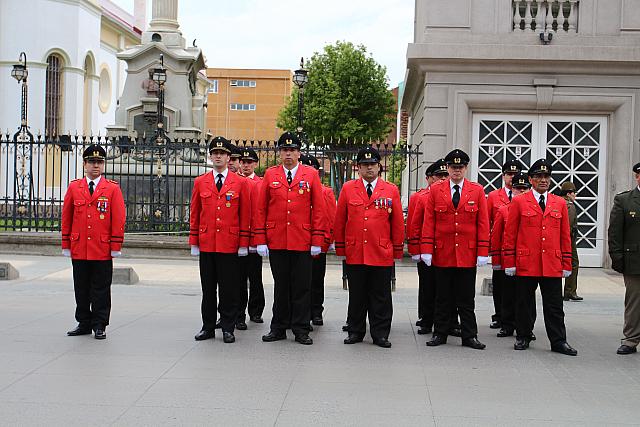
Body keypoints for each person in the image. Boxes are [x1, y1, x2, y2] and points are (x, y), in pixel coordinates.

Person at [254, 131, 326, 345]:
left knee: (302, 286)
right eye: (285, 150)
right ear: (279, 153)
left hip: (302, 239)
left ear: (299, 153)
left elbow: (319, 210)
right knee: (281, 285)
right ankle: (278, 327)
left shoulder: (310, 174)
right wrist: (260, 238)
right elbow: (260, 208)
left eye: (292, 150)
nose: (288, 154)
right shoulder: (271, 174)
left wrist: (316, 241)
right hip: (277, 238)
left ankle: (301, 328)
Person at [503, 159, 578, 356]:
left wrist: (566, 262)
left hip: (551, 263)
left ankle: (558, 341)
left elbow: (565, 236)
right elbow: (510, 234)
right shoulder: (519, 201)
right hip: (527, 261)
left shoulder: (559, 203)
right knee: (524, 303)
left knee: (554, 305)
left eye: (546, 176)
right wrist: (509, 261)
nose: (543, 180)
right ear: (531, 179)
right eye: (538, 177)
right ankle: (523, 336)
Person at [334, 146, 404, 348]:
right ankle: (356, 331)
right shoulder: (348, 188)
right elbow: (340, 220)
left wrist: (397, 249)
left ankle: (380, 333)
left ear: (379, 166)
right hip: (356, 250)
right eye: (365, 165)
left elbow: (397, 222)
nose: (369, 168)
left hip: (381, 251)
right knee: (357, 295)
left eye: (372, 164)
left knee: (380, 295)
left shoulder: (390, 189)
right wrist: (340, 248)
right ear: (358, 168)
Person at [420, 149, 489, 350]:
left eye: (460, 167)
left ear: (466, 168)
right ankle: (440, 333)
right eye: (453, 167)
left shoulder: (476, 191)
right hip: (443, 252)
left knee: (466, 298)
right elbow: (429, 221)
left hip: (467, 253)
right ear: (448, 168)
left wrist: (483, 251)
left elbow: (483, 223)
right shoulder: (436, 190)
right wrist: (426, 249)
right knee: (442, 296)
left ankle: (469, 336)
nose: (456, 171)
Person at [189, 136, 251, 343]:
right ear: (210, 156)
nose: (218, 156)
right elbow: (195, 213)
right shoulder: (201, 181)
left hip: (229, 244)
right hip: (207, 242)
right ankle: (207, 326)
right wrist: (194, 241)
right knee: (208, 289)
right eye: (215, 153)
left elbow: (245, 215)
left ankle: (227, 327)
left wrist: (243, 243)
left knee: (229, 289)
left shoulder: (240, 183)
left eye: (222, 154)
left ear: (228, 157)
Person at [62, 144, 126, 340]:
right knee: (81, 286)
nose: (95, 166)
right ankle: (83, 321)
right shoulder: (75, 187)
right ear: (84, 164)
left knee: (100, 288)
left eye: (99, 162)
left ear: (103, 165)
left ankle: (99, 324)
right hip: (80, 246)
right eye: (91, 162)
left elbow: (118, 218)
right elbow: (67, 217)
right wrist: (66, 244)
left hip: (102, 247)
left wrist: (116, 245)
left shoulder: (112, 189)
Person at [407, 159, 460, 336]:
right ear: (429, 178)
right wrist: (416, 249)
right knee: (428, 287)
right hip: (426, 250)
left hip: (446, 250)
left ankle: (450, 321)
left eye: (445, 175)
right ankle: (427, 319)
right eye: (439, 175)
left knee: (450, 289)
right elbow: (414, 225)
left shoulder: (450, 194)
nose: (442, 179)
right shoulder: (419, 197)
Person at [490, 171, 536, 339]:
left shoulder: (535, 209)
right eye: (518, 188)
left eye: (525, 188)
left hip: (527, 259)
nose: (521, 191)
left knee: (526, 296)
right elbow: (496, 237)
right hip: (508, 259)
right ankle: (507, 324)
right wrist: (496, 260)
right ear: (512, 190)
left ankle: (527, 327)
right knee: (507, 294)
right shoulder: (504, 210)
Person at [300, 154, 337, 327]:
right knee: (300, 280)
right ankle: (301, 311)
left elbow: (330, 217)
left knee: (316, 280)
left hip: (318, 242)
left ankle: (316, 311)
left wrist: (327, 239)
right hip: (300, 240)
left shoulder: (325, 191)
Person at [486, 159, 523, 329]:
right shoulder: (494, 196)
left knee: (517, 288)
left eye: (515, 174)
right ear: (503, 176)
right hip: (500, 248)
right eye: (509, 174)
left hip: (520, 249)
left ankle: (516, 318)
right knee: (500, 285)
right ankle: (499, 315)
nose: (512, 177)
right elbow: (487, 222)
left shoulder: (524, 195)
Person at [608, 162, 640, 355]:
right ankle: (630, 339)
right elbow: (614, 231)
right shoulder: (625, 200)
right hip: (635, 260)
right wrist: (617, 256)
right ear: (637, 176)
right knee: (634, 301)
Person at [236, 147, 266, 327]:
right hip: (238, 237)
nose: (246, 165)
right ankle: (238, 312)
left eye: (249, 162)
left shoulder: (261, 183)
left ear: (255, 164)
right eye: (243, 162)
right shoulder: (234, 181)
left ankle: (255, 311)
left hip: (254, 237)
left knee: (255, 277)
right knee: (238, 278)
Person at [560, 181, 583, 301]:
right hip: (568, 240)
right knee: (573, 264)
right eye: (574, 193)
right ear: (569, 194)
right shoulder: (569, 206)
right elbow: (568, 226)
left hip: (563, 239)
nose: (575, 196)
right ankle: (570, 291)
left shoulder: (559, 203)